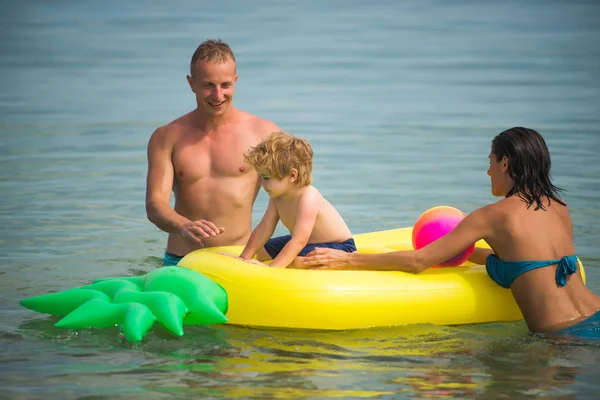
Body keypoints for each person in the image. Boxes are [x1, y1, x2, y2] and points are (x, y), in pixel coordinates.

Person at [293, 127, 600, 337]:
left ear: (505, 163)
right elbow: (527, 260)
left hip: (562, 339)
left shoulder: (491, 217)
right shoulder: (559, 206)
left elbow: (417, 262)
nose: (488, 171)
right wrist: (466, 255)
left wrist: (348, 260)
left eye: (491, 162)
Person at [145, 39, 280, 266]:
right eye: (208, 85)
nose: (218, 96)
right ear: (191, 83)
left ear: (235, 81)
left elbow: (291, 195)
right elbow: (155, 205)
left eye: (225, 85)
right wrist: (182, 225)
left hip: (239, 258)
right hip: (182, 260)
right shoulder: (166, 137)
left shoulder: (264, 134)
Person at [226, 131, 356, 268]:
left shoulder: (308, 197)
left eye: (266, 178)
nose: (261, 183)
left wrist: (272, 268)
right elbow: (265, 227)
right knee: (263, 252)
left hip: (339, 247)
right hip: (308, 242)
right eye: (260, 177)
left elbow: (299, 240)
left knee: (295, 262)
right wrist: (243, 257)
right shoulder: (277, 196)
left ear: (292, 175)